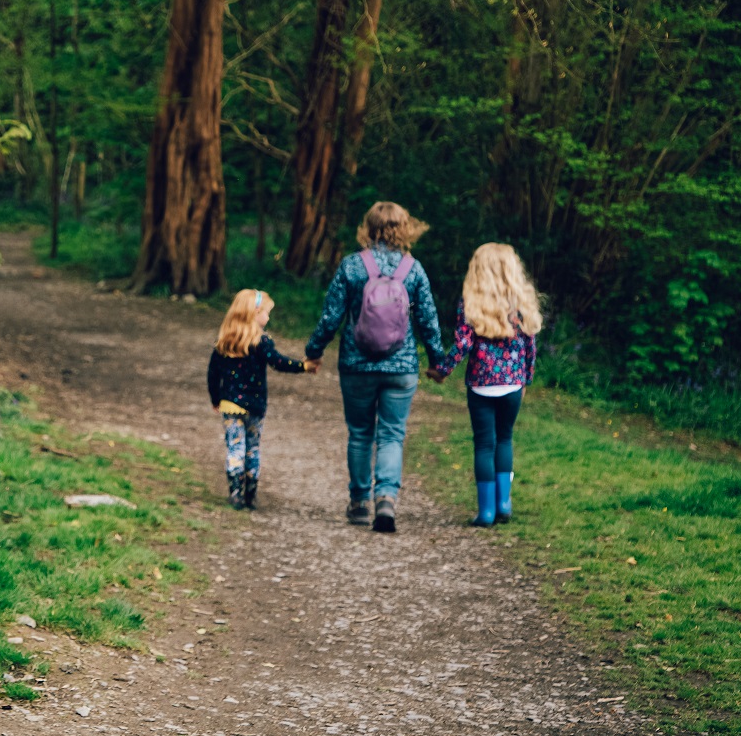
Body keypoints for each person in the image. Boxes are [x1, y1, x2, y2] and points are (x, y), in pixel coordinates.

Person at [304, 201, 446, 533]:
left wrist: (314, 351)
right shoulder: (414, 269)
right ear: (405, 229)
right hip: (402, 365)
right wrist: (439, 362)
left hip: (357, 365)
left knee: (360, 434)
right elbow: (428, 321)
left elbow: (331, 317)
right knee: (392, 434)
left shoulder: (352, 266)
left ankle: (359, 503)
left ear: (367, 229)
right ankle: (386, 500)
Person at [427, 243, 542, 526]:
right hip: (512, 386)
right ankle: (504, 504)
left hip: (481, 386)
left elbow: (462, 344)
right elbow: (530, 346)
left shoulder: (471, 304)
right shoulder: (521, 304)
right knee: (504, 439)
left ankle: (486, 512)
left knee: (484, 445)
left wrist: (442, 370)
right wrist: (526, 378)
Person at [206, 289, 310, 510]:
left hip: (230, 404)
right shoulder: (262, 342)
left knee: (235, 447)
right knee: (252, 448)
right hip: (255, 406)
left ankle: (235, 493)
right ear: (254, 313)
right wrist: (303, 366)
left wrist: (216, 399)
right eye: (266, 312)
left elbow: (212, 374)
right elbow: (278, 362)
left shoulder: (225, 341)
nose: (269, 318)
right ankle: (251, 495)